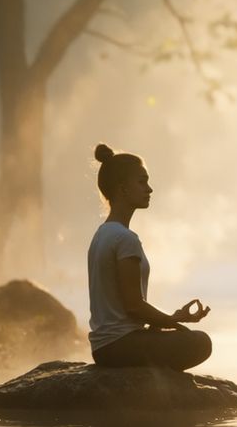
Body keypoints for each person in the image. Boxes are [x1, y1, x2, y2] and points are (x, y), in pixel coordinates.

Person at [87, 143, 212, 370]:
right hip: (121, 346)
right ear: (123, 188)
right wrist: (174, 320)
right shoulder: (125, 239)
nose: (149, 189)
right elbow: (133, 306)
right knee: (201, 342)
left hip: (103, 348)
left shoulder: (101, 234)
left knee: (180, 335)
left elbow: (126, 309)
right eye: (142, 182)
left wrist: (169, 320)